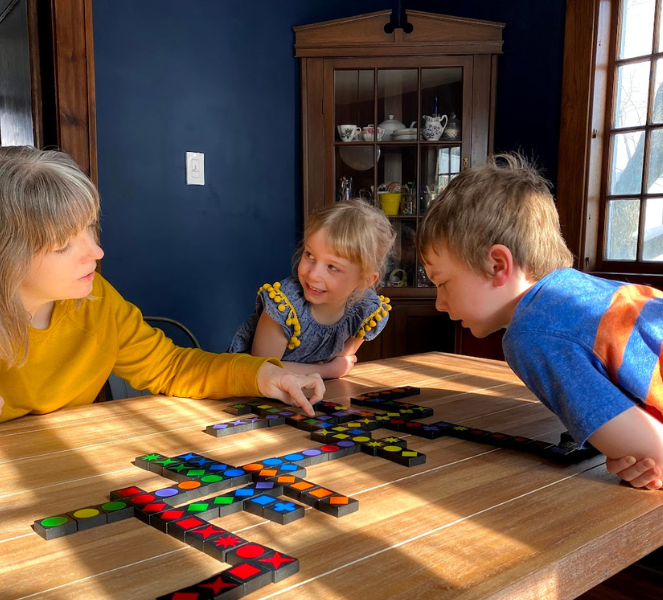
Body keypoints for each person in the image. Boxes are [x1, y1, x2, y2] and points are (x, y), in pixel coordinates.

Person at [0, 146, 325, 448]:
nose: (97, 252)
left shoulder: (95, 298)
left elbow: (170, 367)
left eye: (90, 228)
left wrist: (264, 375)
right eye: (65, 243)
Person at [417, 153, 663, 490]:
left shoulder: (532, 334)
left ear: (497, 265)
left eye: (442, 282)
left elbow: (654, 457)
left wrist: (638, 453)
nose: (440, 303)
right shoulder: (584, 293)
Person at [228, 199, 395, 379]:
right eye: (310, 255)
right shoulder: (284, 307)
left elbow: (342, 357)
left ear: (365, 280)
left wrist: (329, 370)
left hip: (309, 392)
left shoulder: (366, 310)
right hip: (247, 394)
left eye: (332, 267)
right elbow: (263, 370)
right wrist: (328, 371)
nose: (313, 274)